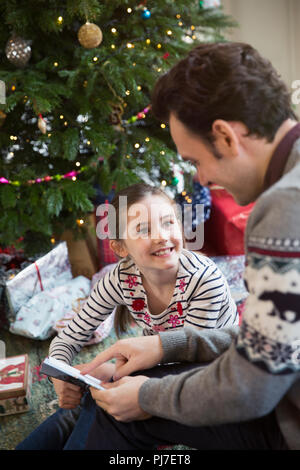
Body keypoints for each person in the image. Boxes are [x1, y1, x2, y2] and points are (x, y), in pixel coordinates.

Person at [78, 41, 299, 450]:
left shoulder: (285, 207)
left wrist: (147, 398)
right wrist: (166, 344)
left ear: (225, 137)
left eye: (195, 160)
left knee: (127, 407)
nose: (199, 179)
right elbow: (275, 344)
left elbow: (254, 384)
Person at [16, 181, 238, 450]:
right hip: (161, 366)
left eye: (168, 223)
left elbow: (190, 357)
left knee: (101, 399)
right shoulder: (121, 278)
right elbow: (70, 336)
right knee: (91, 399)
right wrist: (61, 373)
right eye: (144, 229)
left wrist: (114, 375)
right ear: (121, 248)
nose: (161, 236)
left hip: (207, 379)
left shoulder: (205, 280)